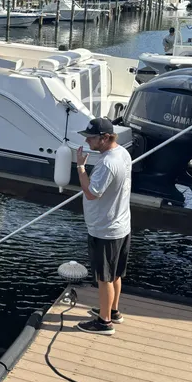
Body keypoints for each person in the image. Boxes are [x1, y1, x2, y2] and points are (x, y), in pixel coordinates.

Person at [74, 117, 132, 336]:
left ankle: (104, 322)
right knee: (115, 273)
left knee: (104, 277)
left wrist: (80, 167)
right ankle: (113, 310)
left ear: (105, 138)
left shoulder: (108, 163)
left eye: (91, 137)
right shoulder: (122, 153)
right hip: (121, 225)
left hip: (105, 230)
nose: (88, 141)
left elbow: (91, 192)